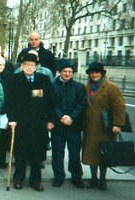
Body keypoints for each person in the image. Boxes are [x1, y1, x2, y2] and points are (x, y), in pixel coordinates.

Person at [6, 53, 55, 192]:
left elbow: (50, 101)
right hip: (20, 122)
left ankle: (36, 180)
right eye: (26, 65)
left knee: (37, 152)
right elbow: (10, 102)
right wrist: (12, 119)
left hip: (38, 123)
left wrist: (50, 120)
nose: (29, 67)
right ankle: (18, 178)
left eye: (32, 65)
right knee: (20, 152)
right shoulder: (14, 80)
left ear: (36, 67)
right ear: (21, 66)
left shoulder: (43, 80)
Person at [82, 62, 126, 191]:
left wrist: (117, 124)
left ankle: (103, 179)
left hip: (105, 127)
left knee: (104, 153)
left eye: (97, 72)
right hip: (90, 126)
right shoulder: (87, 87)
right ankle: (93, 178)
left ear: (102, 74)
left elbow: (119, 106)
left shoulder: (111, 87)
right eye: (92, 72)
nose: (94, 75)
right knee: (91, 153)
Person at [51, 60, 86, 188]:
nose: (67, 74)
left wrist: (72, 117)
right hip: (58, 126)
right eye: (65, 71)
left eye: (70, 72)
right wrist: (61, 116)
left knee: (75, 153)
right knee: (58, 153)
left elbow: (82, 104)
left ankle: (76, 177)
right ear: (60, 72)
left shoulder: (79, 87)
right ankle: (59, 177)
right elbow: (51, 103)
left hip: (74, 126)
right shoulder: (52, 85)